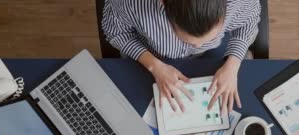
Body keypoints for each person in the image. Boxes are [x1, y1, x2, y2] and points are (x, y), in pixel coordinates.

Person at [102, 0, 261, 116]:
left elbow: (248, 23)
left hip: (212, 54)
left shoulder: (239, 2)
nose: (197, 46)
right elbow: (116, 32)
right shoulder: (130, 3)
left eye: (206, 38)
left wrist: (232, 65)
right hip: (150, 53)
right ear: (162, 4)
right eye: (188, 40)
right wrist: (154, 66)